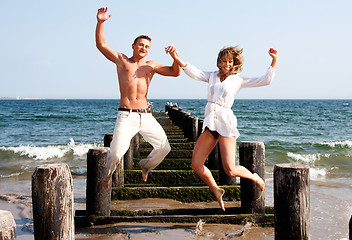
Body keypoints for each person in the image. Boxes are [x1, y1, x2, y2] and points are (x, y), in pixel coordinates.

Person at [166, 45, 278, 211]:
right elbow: (193, 72)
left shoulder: (238, 79)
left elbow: (264, 80)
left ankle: (254, 177)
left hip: (226, 123)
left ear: (234, 63)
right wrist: (176, 57)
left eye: (230, 61)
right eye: (224, 61)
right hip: (211, 122)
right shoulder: (212, 76)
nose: (227, 64)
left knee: (230, 169)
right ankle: (217, 190)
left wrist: (274, 61)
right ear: (219, 62)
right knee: (196, 164)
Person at [96, 7, 181, 190]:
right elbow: (101, 45)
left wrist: (175, 57)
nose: (144, 48)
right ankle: (107, 176)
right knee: (117, 153)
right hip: (126, 116)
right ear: (133, 46)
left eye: (147, 47)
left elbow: (175, 73)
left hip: (146, 115)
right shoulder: (122, 61)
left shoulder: (151, 65)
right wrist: (100, 22)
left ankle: (145, 166)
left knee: (164, 147)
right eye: (141, 45)